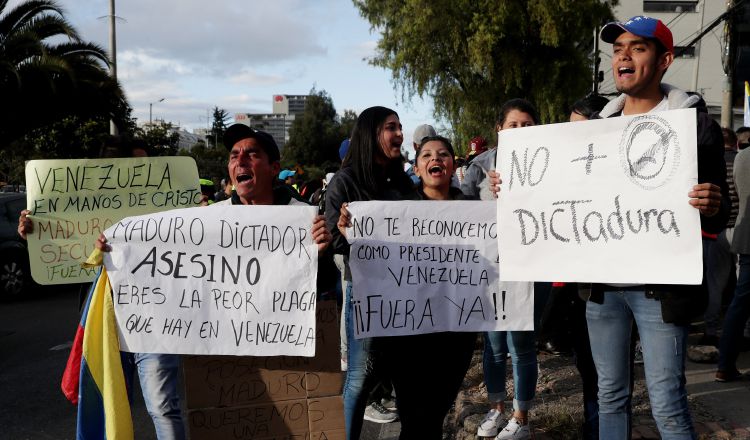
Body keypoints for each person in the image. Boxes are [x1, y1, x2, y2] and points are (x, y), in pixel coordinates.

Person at [583, 16, 728, 439]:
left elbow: (718, 215)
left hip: (662, 291)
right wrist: (515, 186)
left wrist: (712, 202)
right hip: (603, 289)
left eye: (637, 47)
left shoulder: (695, 126)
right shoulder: (595, 130)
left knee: (667, 401)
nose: (623, 55)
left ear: (664, 60)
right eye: (617, 49)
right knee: (610, 396)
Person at [20, 134, 186, 440]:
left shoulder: (173, 208)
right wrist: (36, 231)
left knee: (163, 406)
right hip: (105, 322)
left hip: (155, 320)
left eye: (145, 168)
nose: (138, 178)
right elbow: (63, 243)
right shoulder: (88, 205)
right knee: (106, 407)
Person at [338, 135, 476, 438]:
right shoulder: (396, 207)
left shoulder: (474, 211)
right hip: (407, 335)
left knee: (434, 418)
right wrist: (350, 230)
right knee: (414, 418)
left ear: (453, 165)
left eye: (442, 154)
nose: (435, 159)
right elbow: (371, 257)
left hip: (456, 335)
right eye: (426, 155)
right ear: (417, 167)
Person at [325, 106, 418, 439]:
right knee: (361, 375)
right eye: (391, 127)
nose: (399, 134)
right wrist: (344, 230)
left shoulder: (400, 179)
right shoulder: (345, 181)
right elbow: (335, 241)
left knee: (403, 372)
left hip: (403, 290)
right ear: (370, 134)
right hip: (363, 291)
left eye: (400, 126)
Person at [462, 99, 543, 440]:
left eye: (528, 125)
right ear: (500, 130)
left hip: (527, 268)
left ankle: (521, 417)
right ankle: (497, 408)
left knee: (521, 345)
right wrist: (492, 198)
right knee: (494, 345)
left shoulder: (548, 163)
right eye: (514, 125)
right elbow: (459, 211)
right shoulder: (479, 167)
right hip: (491, 270)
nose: (521, 131)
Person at [716, 145, 750, 381]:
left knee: (739, 305)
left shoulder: (742, 157)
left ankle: (724, 365)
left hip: (746, 237)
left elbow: (737, 194)